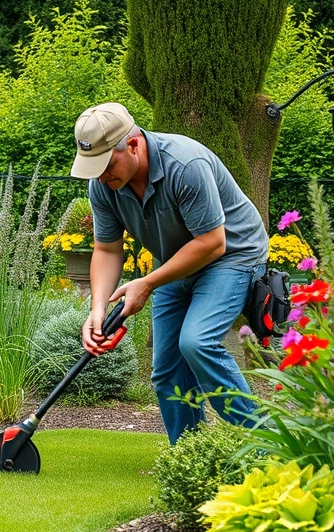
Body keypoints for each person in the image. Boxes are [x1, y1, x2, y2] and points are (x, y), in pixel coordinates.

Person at [70, 102, 268, 444]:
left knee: (197, 342)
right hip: (175, 261)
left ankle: (264, 448)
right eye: (94, 167)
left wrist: (146, 284)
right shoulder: (103, 186)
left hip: (231, 255)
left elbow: (211, 243)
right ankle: (189, 456)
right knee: (166, 370)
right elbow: (107, 248)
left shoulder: (185, 165)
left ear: (132, 145)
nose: (101, 176)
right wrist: (98, 308)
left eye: (106, 164)